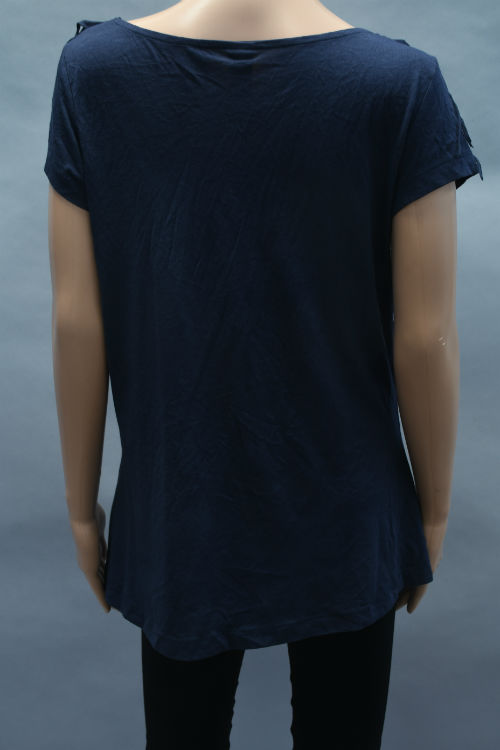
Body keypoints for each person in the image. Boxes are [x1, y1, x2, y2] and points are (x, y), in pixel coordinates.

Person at [43, 1, 483, 747]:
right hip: (349, 507)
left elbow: (77, 321)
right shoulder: (399, 84)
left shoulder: (97, 74)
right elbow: (427, 337)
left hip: (180, 507)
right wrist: (432, 511)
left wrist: (82, 508)